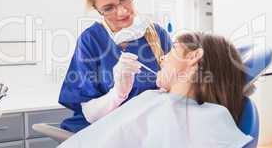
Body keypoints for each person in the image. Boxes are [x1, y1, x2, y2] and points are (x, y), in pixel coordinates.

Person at [58, 32, 253, 148]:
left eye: (173, 50)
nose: (162, 58)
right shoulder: (157, 99)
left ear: (193, 57)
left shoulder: (208, 119)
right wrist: (118, 93)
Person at [58, 0, 172, 133]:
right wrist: (118, 93)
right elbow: (90, 114)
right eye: (108, 8)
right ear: (97, 10)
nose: (122, 12)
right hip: (102, 133)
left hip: (144, 132)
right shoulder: (91, 41)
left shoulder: (158, 35)